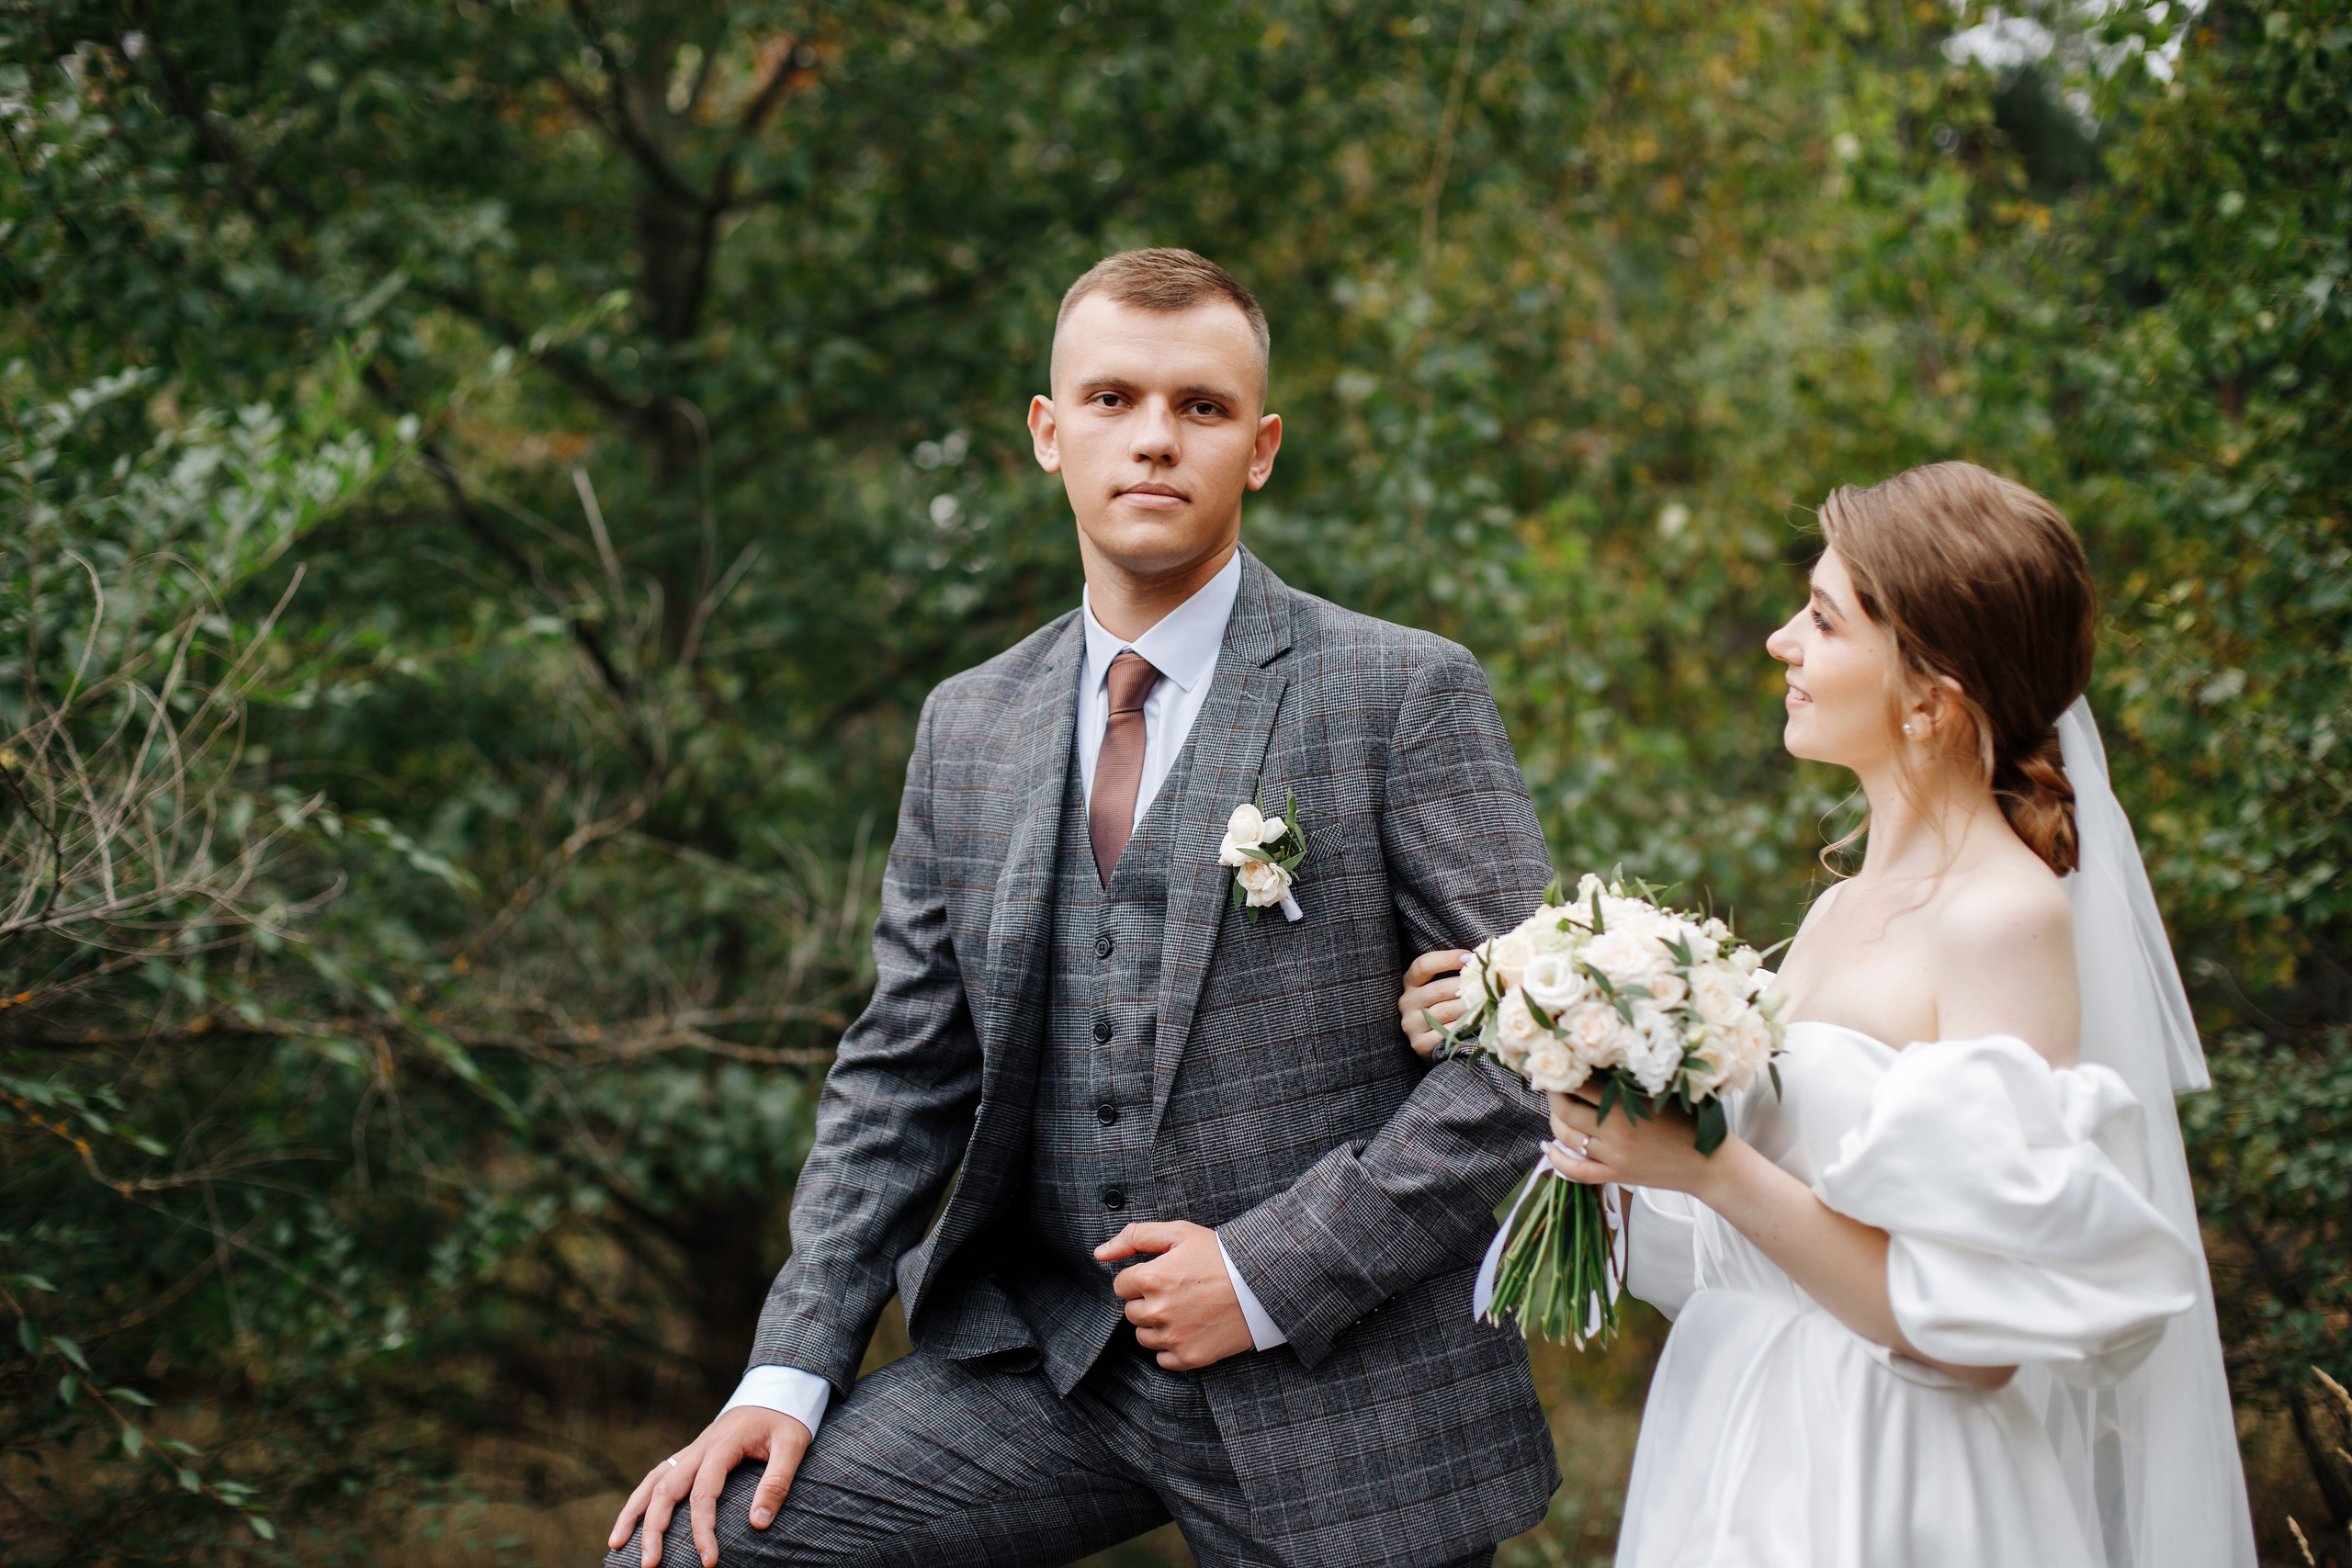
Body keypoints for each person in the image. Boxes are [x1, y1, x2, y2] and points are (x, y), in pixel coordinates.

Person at [605, 248, 1562, 1568]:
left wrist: (1267, 1270)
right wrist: (785, 1370)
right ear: (1051, 433)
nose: (1155, 438)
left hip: (1346, 1383)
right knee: (699, 1550)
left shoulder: (1401, 693)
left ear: (1262, 445)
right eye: (1112, 398)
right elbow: (902, 1073)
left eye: (1202, 407)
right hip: (1059, 1364)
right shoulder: (971, 723)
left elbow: (1532, 1061)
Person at [1399, 462, 2256, 1567]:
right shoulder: (1842, 909)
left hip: (1890, 1469)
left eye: (1822, 618)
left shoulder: (2003, 918)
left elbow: (1977, 1337)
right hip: (1735, 1427)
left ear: (1928, 697)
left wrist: (1710, 1170)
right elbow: (1745, 1239)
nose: (1779, 643)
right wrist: (1545, 1038)